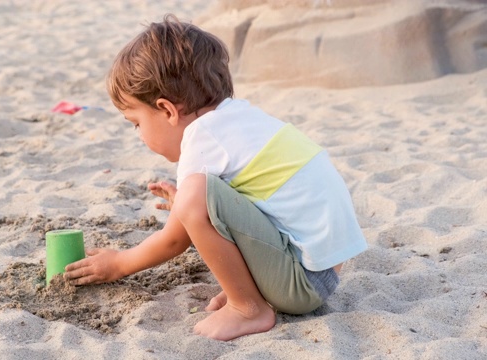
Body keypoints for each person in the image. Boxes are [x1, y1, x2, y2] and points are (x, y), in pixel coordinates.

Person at [64, 14, 367, 341]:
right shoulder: (240, 121)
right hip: (323, 270)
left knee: (194, 197)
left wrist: (119, 263)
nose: (138, 134)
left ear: (167, 110)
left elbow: (174, 240)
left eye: (136, 122)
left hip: (303, 283)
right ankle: (251, 291)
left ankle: (248, 307)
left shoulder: (201, 138)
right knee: (196, 197)